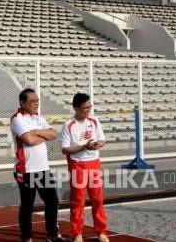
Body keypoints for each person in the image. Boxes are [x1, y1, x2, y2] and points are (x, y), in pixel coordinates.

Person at [10, 88, 68, 242]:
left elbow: (54, 134)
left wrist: (35, 131)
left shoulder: (38, 118)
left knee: (52, 201)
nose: (36, 104)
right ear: (23, 103)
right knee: (28, 205)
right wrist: (43, 135)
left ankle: (52, 234)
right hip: (26, 170)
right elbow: (29, 140)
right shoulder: (17, 119)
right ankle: (27, 237)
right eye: (32, 101)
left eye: (37, 101)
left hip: (43, 169)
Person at [60, 93, 109, 242]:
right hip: (77, 165)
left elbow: (102, 140)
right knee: (78, 201)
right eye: (85, 107)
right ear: (76, 108)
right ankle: (77, 234)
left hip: (94, 163)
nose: (88, 110)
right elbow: (65, 149)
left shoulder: (94, 120)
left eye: (89, 106)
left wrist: (96, 145)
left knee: (98, 199)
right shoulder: (68, 124)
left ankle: (101, 232)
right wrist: (84, 147)